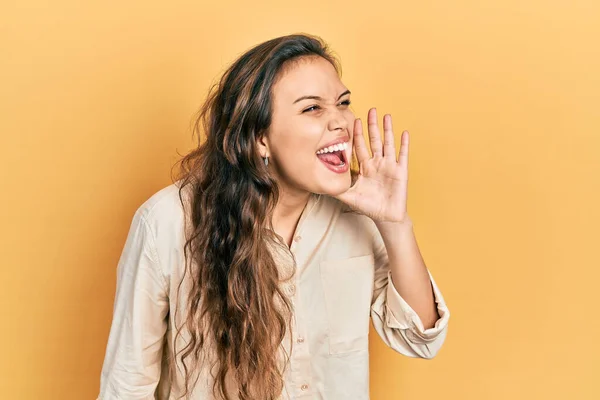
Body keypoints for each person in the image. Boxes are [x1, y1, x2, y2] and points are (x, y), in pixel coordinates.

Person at [97, 33, 450, 400]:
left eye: (342, 103)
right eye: (312, 108)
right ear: (260, 139)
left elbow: (419, 338)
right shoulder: (166, 222)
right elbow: (126, 387)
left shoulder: (358, 215)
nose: (341, 121)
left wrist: (394, 224)